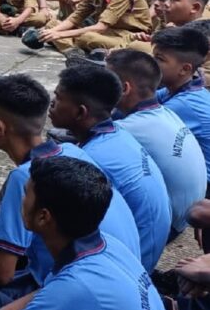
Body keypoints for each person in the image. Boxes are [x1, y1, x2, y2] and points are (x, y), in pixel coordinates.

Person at [0, 73, 141, 310]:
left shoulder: (26, 178)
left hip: (67, 284)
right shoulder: (70, 151)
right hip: (112, 265)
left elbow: (1, 274)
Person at [0, 156, 165, 310]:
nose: (21, 200)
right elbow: (44, 293)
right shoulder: (108, 245)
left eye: (26, 194)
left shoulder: (75, 284)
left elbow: (60, 292)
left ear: (43, 217)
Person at [52, 64, 170, 272]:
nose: (52, 103)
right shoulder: (116, 134)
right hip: (143, 250)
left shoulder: (91, 158)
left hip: (128, 264)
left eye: (59, 98)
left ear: (81, 112)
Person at [106, 49, 206, 239]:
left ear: (125, 89)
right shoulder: (165, 112)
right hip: (184, 218)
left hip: (165, 228)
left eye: (104, 82)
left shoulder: (127, 129)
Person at [154, 27, 210, 184]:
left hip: (203, 188)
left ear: (185, 69)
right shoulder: (175, 89)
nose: (152, 64)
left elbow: (135, 121)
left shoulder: (184, 105)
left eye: (159, 59)